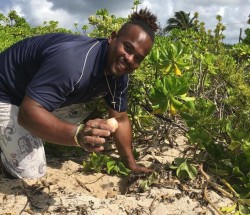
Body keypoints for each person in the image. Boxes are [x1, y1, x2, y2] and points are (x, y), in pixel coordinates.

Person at [0, 8, 159, 179]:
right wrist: (77, 135)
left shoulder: (119, 73)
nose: (129, 59)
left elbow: (120, 118)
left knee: (85, 110)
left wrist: (131, 164)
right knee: (31, 173)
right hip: (7, 94)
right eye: (127, 48)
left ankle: (29, 132)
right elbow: (26, 113)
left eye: (138, 58)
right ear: (112, 38)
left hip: (31, 96)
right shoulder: (72, 63)